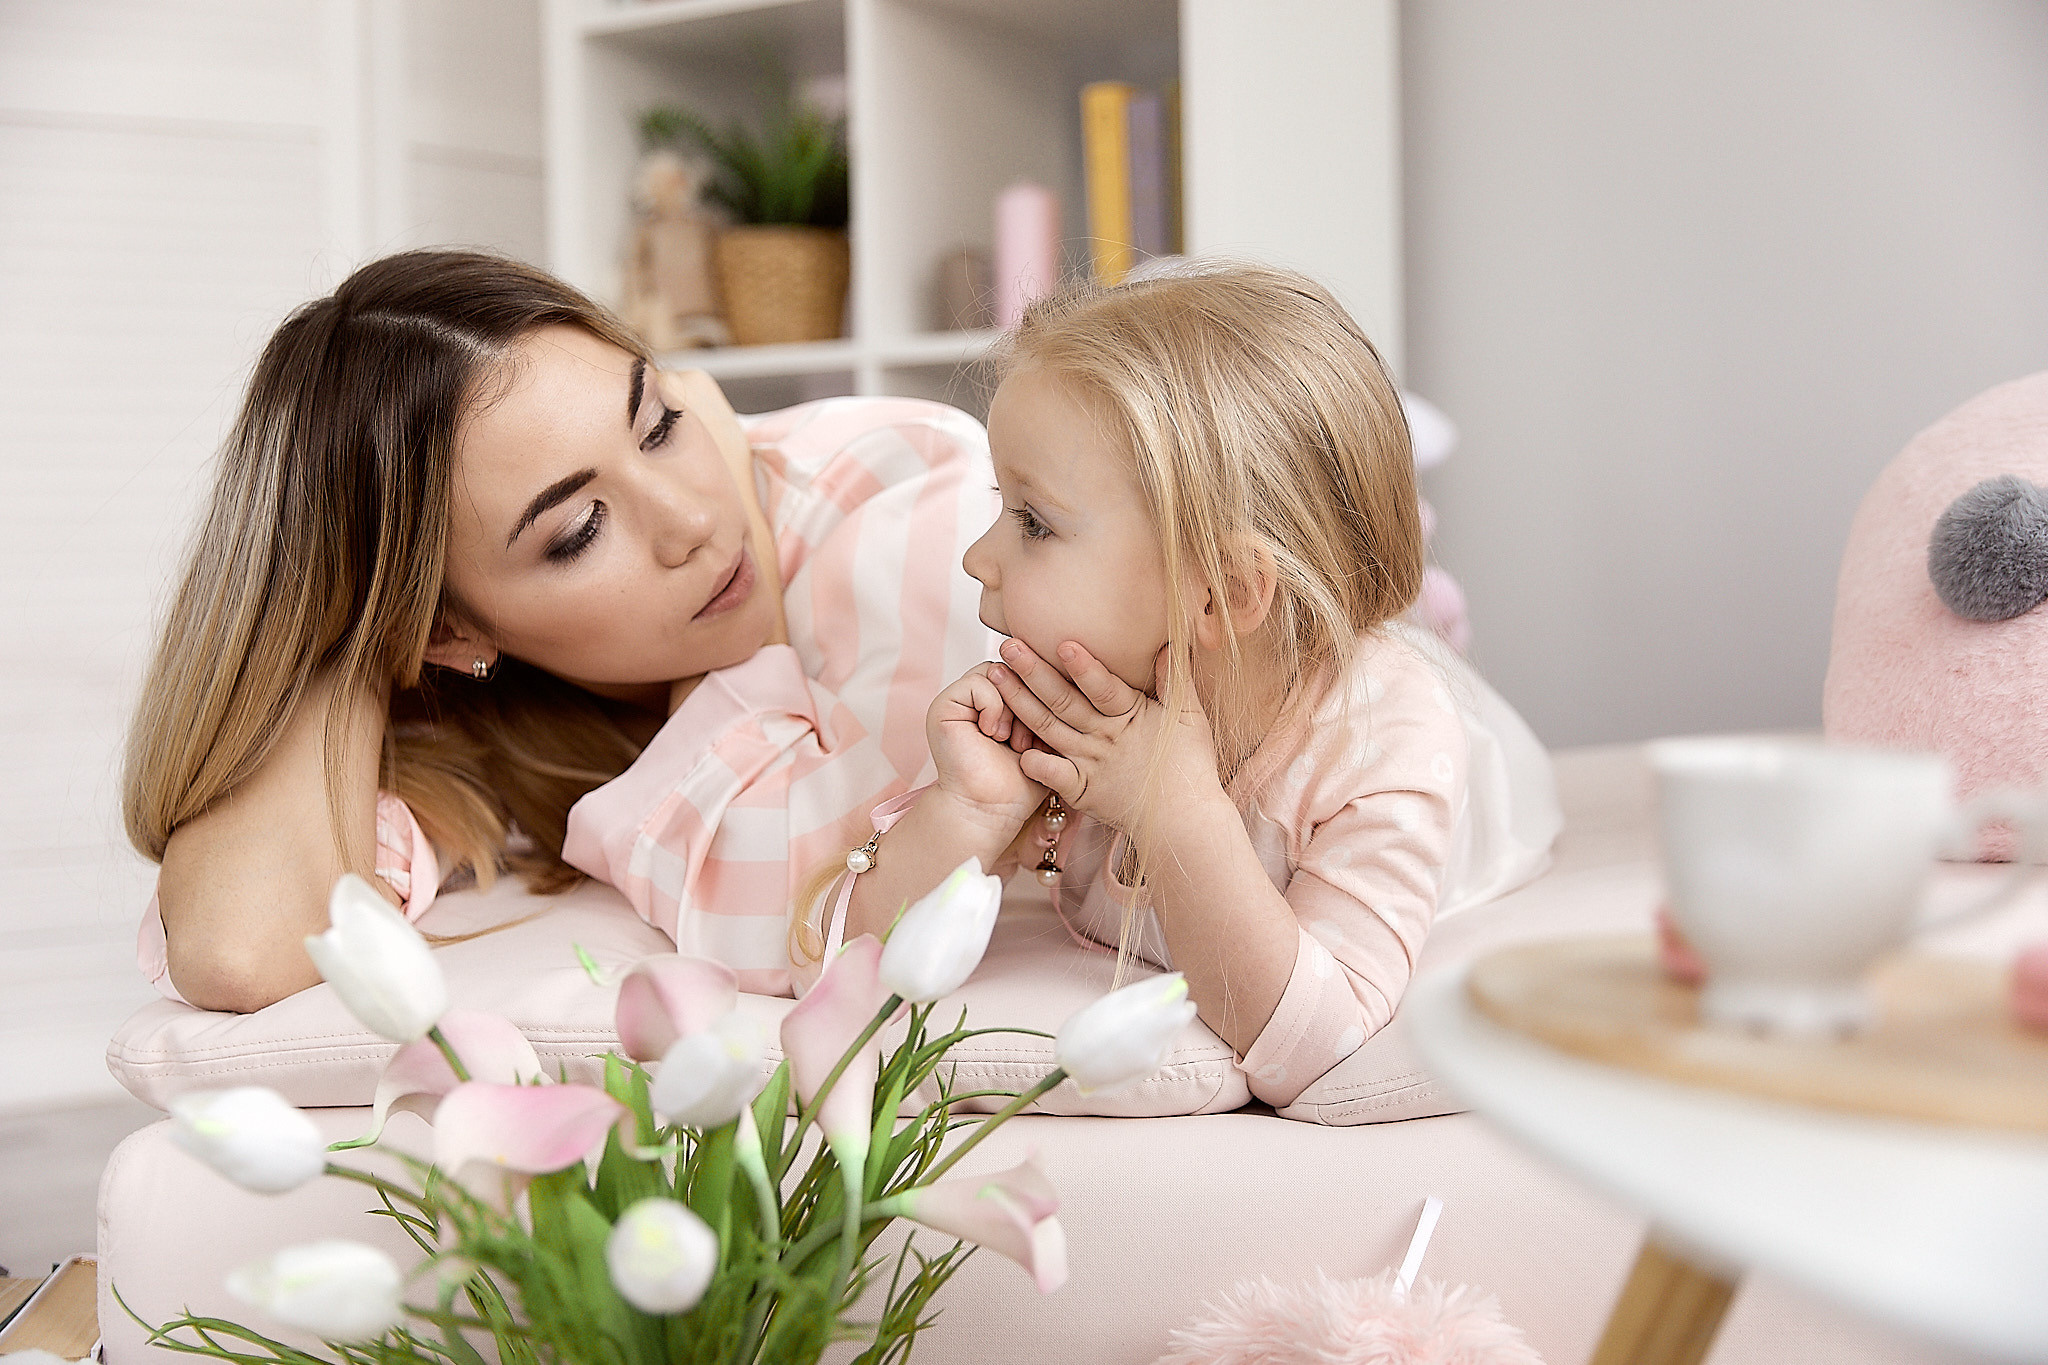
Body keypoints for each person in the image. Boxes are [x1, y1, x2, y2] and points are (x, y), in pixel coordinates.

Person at [124, 249, 997, 1010]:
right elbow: (238, 946)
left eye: (660, 423)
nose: (692, 519)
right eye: (580, 529)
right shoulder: (478, 721)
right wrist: (344, 626)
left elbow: (837, 898)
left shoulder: (900, 500)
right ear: (447, 635)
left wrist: (750, 570)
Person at [819, 262, 1562, 1112]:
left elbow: (1317, 1043)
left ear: (1224, 591)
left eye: (1034, 523)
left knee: (1428, 682)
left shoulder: (1385, 743)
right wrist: (970, 810)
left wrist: (1173, 808)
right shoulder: (1076, 700)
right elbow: (840, 969)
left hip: (1477, 776)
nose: (976, 557)